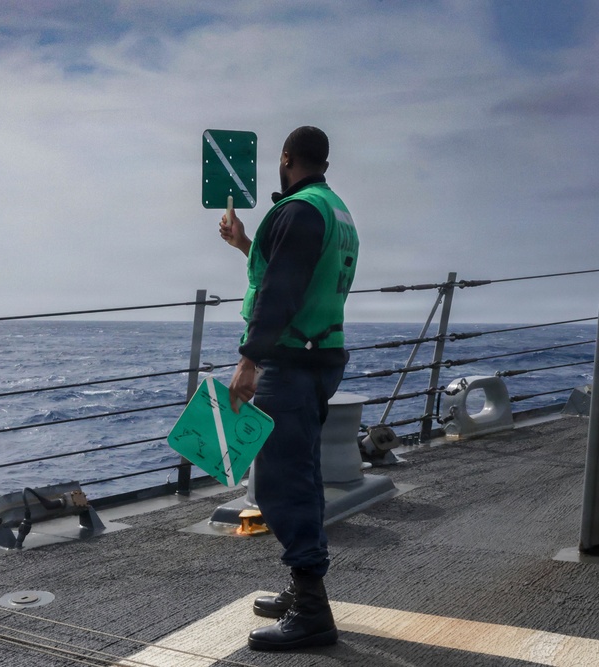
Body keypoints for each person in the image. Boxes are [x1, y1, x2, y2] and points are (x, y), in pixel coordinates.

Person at [219, 126, 359, 652]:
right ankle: (304, 591)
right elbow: (297, 270)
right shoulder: (334, 210)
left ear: (285, 159)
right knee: (303, 471)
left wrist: (249, 360)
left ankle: (312, 611)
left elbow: (281, 289)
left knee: (281, 483)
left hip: (291, 360)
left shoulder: (299, 210)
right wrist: (246, 245)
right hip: (321, 354)